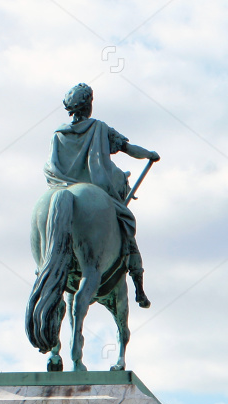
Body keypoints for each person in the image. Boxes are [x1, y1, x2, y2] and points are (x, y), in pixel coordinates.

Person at [45, 84, 159, 307]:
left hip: (60, 188)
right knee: (127, 224)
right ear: (89, 105)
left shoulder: (58, 135)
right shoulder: (99, 128)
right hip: (97, 192)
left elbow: (51, 166)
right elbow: (128, 149)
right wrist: (150, 154)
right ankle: (139, 289)